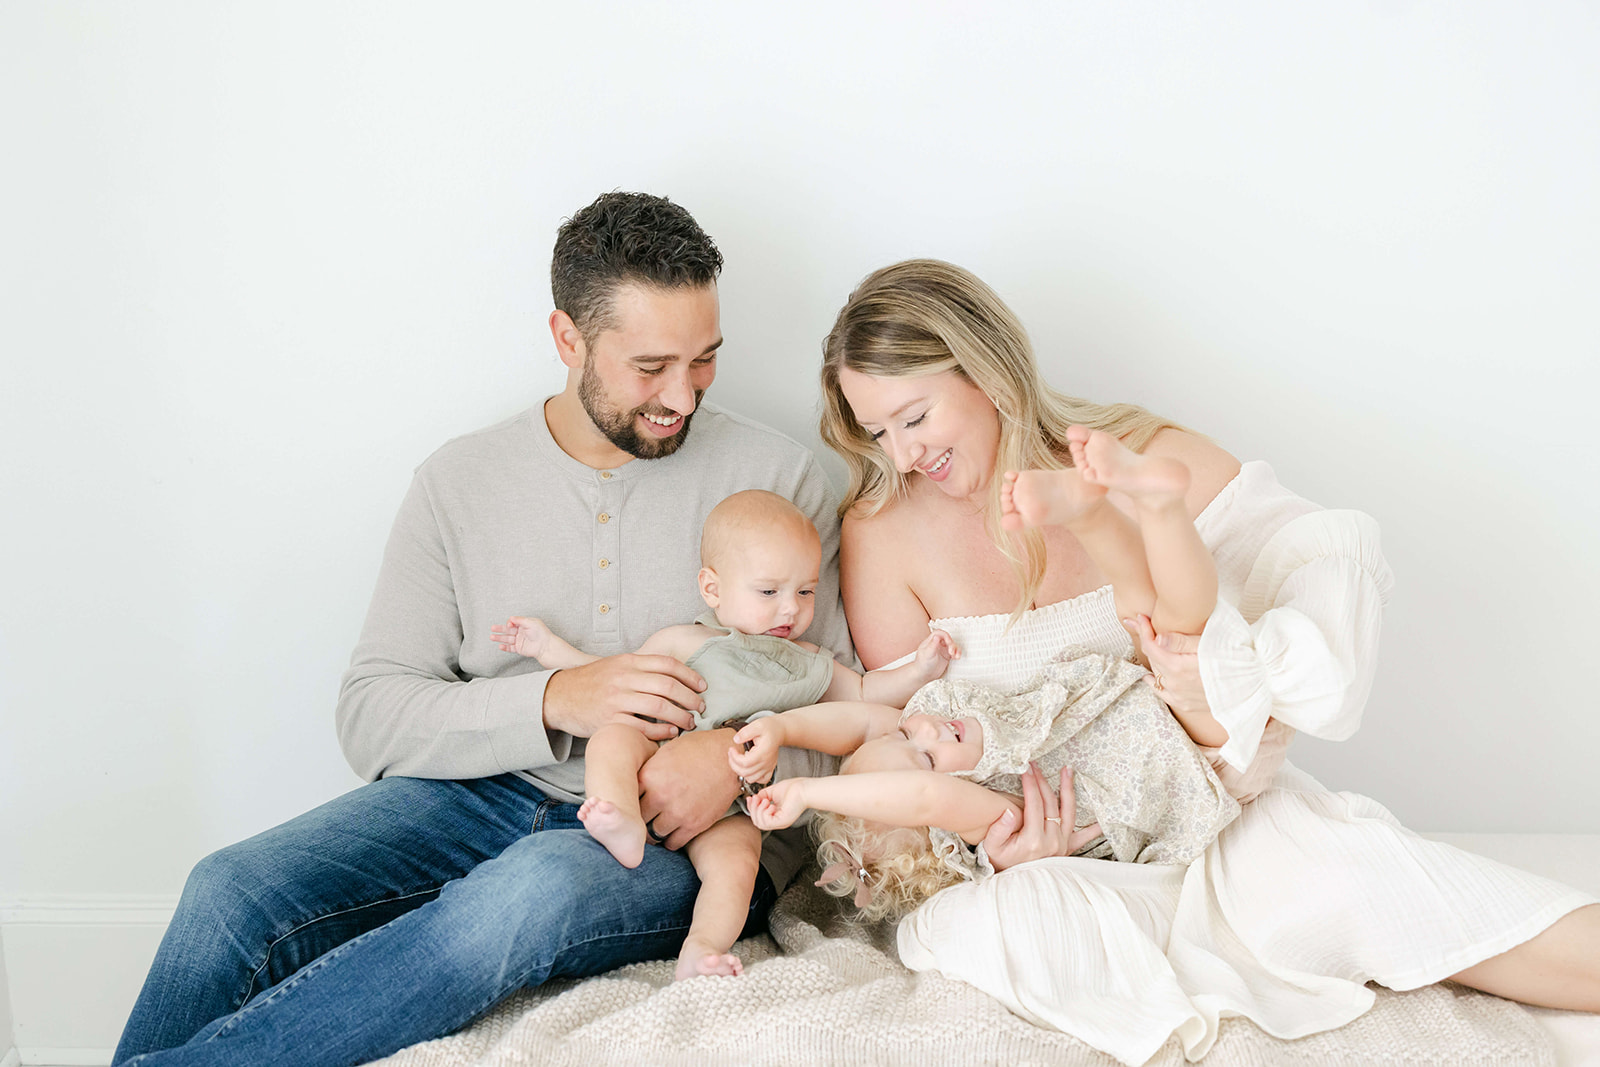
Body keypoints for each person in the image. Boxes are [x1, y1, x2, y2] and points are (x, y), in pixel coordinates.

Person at [112, 192, 853, 1067]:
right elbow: (373, 712)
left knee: (524, 895)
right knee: (230, 890)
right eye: (651, 365)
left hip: (689, 840)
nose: (682, 395)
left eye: (705, 360)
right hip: (477, 792)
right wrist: (552, 696)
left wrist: (726, 763)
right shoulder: (458, 482)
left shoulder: (779, 478)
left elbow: (845, 705)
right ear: (568, 339)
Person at [817, 258, 1600, 1066]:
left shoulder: (1131, 453)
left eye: (914, 417)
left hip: (1201, 814)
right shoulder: (883, 531)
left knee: (1367, 885)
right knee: (1003, 929)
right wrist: (1000, 855)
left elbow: (1310, 557)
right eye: (877, 433)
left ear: (983, 367)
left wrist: (1250, 680)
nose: (903, 455)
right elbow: (903, 747)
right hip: (1062, 864)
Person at [738, 433, 1247, 916]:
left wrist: (783, 729)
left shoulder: (926, 730)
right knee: (1184, 631)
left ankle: (1096, 512)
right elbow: (924, 798)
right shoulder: (985, 819)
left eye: (908, 733)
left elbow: (860, 724)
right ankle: (1159, 508)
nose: (927, 727)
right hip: (1182, 772)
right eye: (927, 755)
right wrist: (804, 791)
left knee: (1147, 608)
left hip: (1139, 708)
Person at [489, 488, 954, 978]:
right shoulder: (684, 642)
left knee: (737, 864)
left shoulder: (808, 662)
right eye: (769, 592)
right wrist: (549, 649)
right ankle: (621, 817)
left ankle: (703, 948)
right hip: (656, 754)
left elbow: (864, 692)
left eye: (805, 591)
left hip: (733, 803)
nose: (790, 610)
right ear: (712, 589)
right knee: (612, 739)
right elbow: (611, 679)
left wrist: (919, 670)